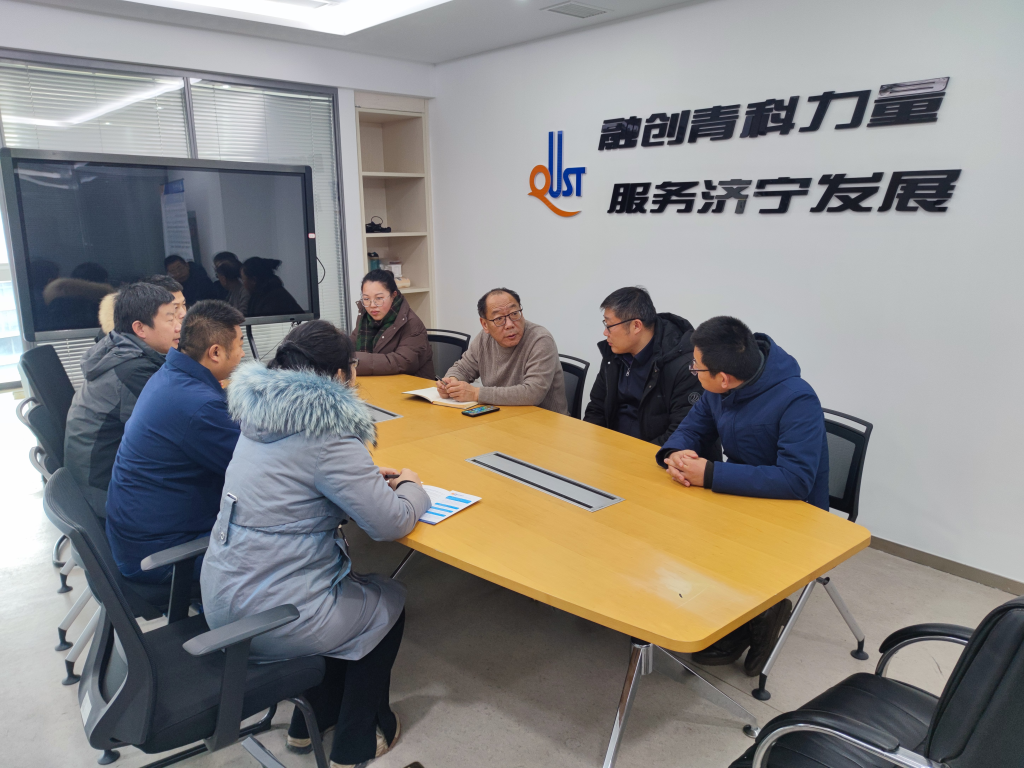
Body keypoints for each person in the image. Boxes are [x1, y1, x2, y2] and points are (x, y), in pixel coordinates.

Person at [201, 320, 430, 767]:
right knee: (387, 602)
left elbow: (291, 484)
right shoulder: (329, 432)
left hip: (224, 595)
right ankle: (358, 740)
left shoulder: (257, 416)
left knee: (348, 599)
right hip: (273, 613)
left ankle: (309, 725)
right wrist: (412, 488)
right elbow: (390, 523)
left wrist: (361, 480)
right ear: (339, 374)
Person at [656, 315, 829, 676]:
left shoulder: (797, 399)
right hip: (738, 494)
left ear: (723, 377)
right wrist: (675, 453)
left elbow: (796, 481)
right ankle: (737, 619)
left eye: (696, 366)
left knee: (711, 543)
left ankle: (764, 615)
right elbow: (691, 428)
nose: (692, 371)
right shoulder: (720, 389)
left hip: (794, 513)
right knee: (673, 527)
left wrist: (711, 474)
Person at [105, 300, 245, 584]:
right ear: (215, 352)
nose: (243, 353)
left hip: (142, 537)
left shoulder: (172, 376)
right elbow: (257, 468)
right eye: (240, 345)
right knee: (288, 546)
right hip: (165, 555)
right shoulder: (197, 405)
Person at [64, 283, 181, 517]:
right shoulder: (132, 371)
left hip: (96, 482)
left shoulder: (120, 350)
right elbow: (176, 430)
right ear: (140, 328)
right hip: (108, 495)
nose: (179, 327)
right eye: (170, 320)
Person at [583, 286, 705, 445]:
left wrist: (632, 455)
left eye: (609, 325)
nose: (605, 333)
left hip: (655, 454)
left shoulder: (685, 365)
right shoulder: (613, 355)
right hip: (612, 448)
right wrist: (593, 444)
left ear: (636, 326)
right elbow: (596, 408)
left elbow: (682, 434)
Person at [436, 288, 568, 414]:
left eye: (514, 314)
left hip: (544, 422)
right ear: (485, 324)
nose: (509, 324)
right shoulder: (484, 338)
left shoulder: (540, 339)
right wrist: (451, 382)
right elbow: (463, 368)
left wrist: (476, 394)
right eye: (499, 318)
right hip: (503, 416)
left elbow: (533, 393)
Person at [351, 268, 433, 378]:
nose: (372, 305)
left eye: (379, 298)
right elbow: (348, 347)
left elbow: (402, 362)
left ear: (393, 295)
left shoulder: (412, 323)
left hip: (411, 385)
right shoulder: (365, 319)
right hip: (379, 382)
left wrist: (356, 361)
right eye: (366, 299)